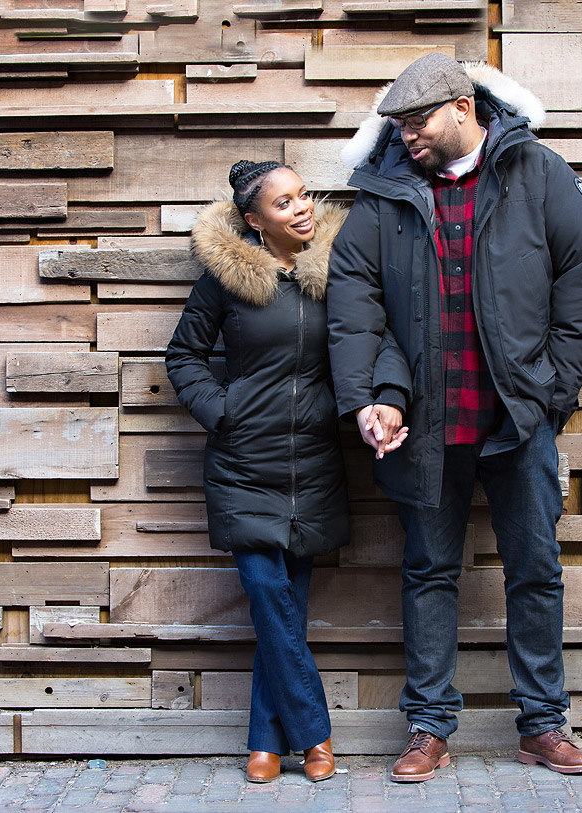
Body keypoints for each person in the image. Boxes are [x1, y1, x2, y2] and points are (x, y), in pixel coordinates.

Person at [326, 54, 582, 781]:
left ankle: (543, 724)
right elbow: (355, 301)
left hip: (519, 420)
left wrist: (553, 387)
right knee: (427, 571)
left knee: (535, 570)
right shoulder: (385, 195)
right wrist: (369, 397)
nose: (405, 135)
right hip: (424, 427)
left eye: (416, 120)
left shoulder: (535, 171)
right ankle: (428, 726)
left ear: (462, 106)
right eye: (395, 124)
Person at [166, 160, 408, 783]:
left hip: (314, 465)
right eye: (283, 204)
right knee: (268, 594)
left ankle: (265, 744)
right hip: (244, 462)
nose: (302, 209)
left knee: (288, 609)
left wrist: (378, 402)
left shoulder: (339, 274)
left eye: (303, 195)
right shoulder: (226, 280)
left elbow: (378, 342)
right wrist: (223, 413)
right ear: (253, 220)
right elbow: (185, 355)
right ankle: (315, 732)